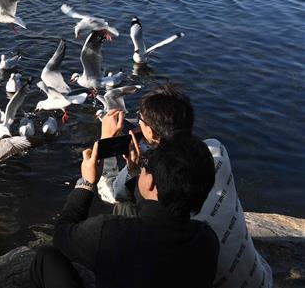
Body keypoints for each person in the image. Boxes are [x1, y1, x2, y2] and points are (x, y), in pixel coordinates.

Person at [97, 84, 273, 287]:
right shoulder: (216, 149)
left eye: (140, 118)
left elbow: (110, 191)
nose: (137, 122)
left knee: (123, 206)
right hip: (260, 280)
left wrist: (107, 141)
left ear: (152, 134)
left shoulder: (155, 181)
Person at [31, 134, 220, 288]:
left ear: (152, 182)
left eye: (145, 168)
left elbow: (63, 234)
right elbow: (155, 210)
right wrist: (135, 171)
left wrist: (86, 184)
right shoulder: (207, 240)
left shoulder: (110, 234)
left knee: (46, 258)